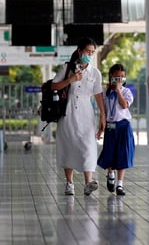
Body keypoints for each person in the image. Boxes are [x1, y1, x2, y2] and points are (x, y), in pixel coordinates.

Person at [52, 37, 105, 196]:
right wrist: (70, 79)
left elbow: (98, 95)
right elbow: (53, 86)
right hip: (68, 112)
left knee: (88, 145)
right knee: (69, 145)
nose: (89, 54)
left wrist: (103, 115)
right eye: (87, 51)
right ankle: (70, 183)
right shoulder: (67, 68)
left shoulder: (95, 73)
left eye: (92, 52)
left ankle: (89, 182)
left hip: (85, 112)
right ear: (79, 51)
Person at [97, 63, 135, 196]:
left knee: (123, 154)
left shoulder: (126, 92)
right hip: (110, 126)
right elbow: (103, 112)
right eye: (117, 76)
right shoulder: (104, 93)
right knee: (109, 152)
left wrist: (118, 90)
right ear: (111, 76)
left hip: (123, 126)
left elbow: (124, 105)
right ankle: (110, 174)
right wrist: (101, 128)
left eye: (122, 77)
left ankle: (120, 184)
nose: (119, 79)